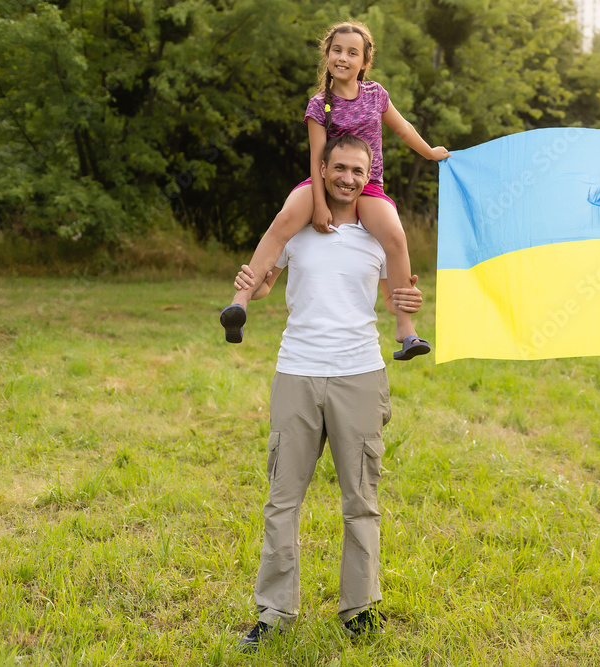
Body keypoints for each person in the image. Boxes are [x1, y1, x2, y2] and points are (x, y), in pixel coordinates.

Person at [235, 134, 423, 653]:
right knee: (282, 498)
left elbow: (396, 299)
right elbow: (267, 281)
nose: (347, 178)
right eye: (338, 167)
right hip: (297, 372)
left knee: (360, 499)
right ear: (321, 168)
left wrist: (410, 298)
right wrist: (249, 284)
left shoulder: (377, 233)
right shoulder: (298, 227)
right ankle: (275, 612)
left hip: (359, 374)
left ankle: (359, 609)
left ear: (368, 176)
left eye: (357, 171)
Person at [219, 20, 449, 360]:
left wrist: (429, 152)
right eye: (337, 50)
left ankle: (406, 328)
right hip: (323, 181)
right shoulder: (319, 104)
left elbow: (403, 128)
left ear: (364, 62)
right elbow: (316, 158)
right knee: (283, 222)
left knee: (396, 238)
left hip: (367, 185)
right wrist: (318, 202)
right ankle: (239, 302)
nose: (343, 57)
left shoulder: (376, 95)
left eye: (352, 52)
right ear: (327, 55)